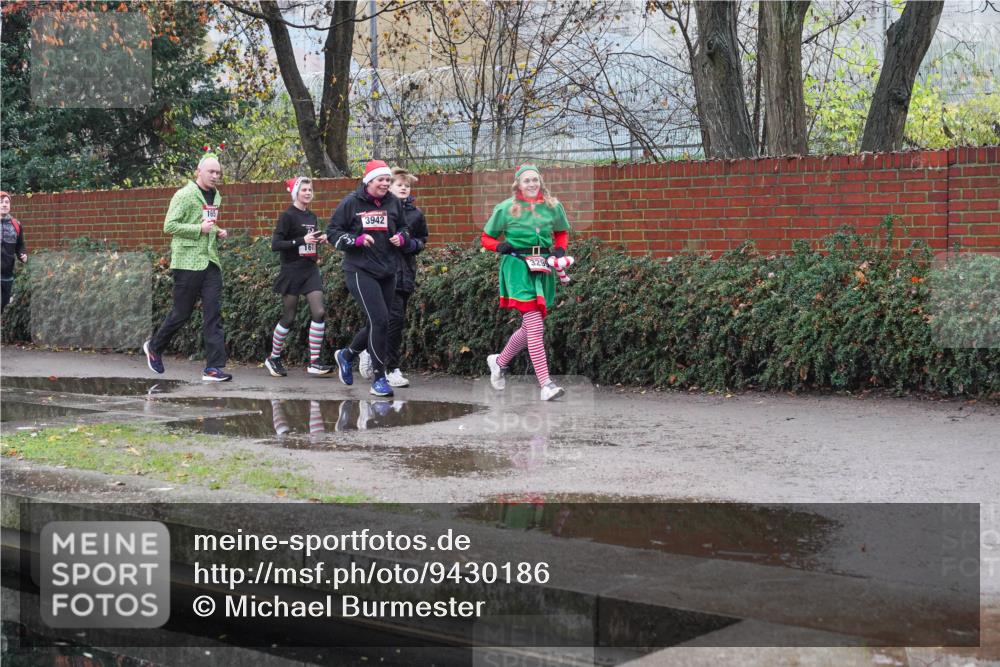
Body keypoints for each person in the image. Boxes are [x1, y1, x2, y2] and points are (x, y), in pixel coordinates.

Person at [481, 164, 570, 401]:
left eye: (535, 180)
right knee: (536, 326)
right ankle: (546, 384)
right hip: (518, 268)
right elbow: (486, 238)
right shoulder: (505, 208)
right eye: (527, 180)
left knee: (529, 327)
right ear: (518, 184)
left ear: (541, 182)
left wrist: (560, 250)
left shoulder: (553, 206)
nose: (532, 184)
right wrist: (499, 246)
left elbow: (561, 232)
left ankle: (499, 362)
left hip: (543, 266)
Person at [143, 151, 232, 381]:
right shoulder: (184, 195)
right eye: (211, 172)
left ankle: (213, 367)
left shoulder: (216, 196)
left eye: (218, 173)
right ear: (198, 172)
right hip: (187, 262)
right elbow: (169, 226)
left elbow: (206, 223)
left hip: (210, 261)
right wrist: (199, 230)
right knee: (181, 313)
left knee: (213, 313)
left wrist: (216, 230)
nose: (215, 176)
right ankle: (154, 347)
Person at [327, 159, 410, 397]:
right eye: (380, 179)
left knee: (379, 322)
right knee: (380, 321)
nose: (385, 184)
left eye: (387, 180)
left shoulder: (393, 202)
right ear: (369, 181)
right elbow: (333, 232)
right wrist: (356, 240)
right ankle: (378, 378)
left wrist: (401, 238)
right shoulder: (351, 202)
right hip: (360, 270)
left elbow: (404, 228)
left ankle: (347, 355)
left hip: (387, 270)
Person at [358, 168, 428, 388]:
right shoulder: (379, 210)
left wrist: (408, 243)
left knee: (386, 320)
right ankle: (390, 368)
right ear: (389, 187)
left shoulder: (416, 215)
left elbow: (422, 241)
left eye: (407, 185)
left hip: (405, 273)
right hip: (382, 272)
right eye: (399, 185)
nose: (404, 188)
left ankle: (365, 350)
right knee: (391, 321)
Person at [264, 176, 332, 377]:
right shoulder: (287, 216)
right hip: (291, 270)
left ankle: (314, 361)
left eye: (310, 190)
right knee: (289, 317)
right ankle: (274, 357)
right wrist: (301, 241)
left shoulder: (311, 216)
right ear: (295, 193)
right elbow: (276, 244)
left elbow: (309, 241)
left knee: (319, 312)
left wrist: (319, 239)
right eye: (304, 190)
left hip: (310, 270)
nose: (308, 193)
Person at [0, 191, 27, 313]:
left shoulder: (16, 224)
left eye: (7, 202)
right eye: (1, 202)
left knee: (4, 305)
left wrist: (23, 255)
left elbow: (20, 245)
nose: (4, 205)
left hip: (8, 273)